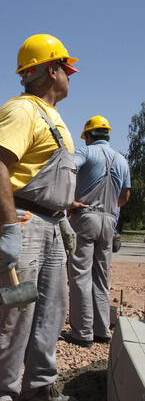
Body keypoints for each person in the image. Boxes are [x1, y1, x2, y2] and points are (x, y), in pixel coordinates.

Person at [0, 33, 80, 401]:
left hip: (49, 224)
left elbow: (49, 181)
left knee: (51, 310)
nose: (71, 75)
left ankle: (38, 384)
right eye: (66, 68)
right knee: (13, 312)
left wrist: (62, 219)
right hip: (21, 220)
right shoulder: (21, 111)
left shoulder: (53, 118)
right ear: (51, 69)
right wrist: (8, 229)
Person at [63, 116, 131, 347]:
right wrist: (109, 208)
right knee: (100, 277)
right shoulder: (121, 159)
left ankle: (82, 333)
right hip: (109, 222)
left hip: (85, 216)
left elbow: (67, 168)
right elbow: (125, 196)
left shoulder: (86, 152)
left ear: (89, 136)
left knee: (80, 275)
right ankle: (102, 330)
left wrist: (69, 201)